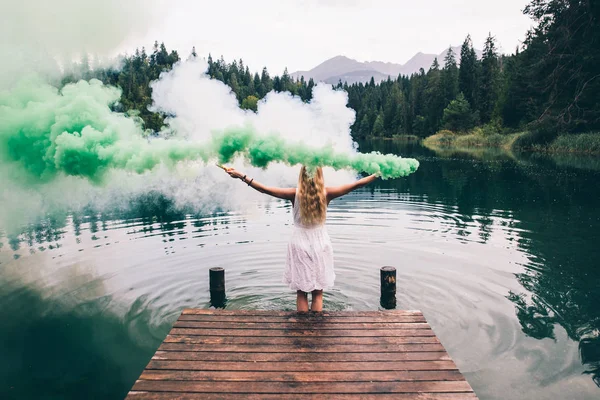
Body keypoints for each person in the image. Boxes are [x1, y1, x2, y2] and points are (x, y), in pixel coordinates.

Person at [223, 165, 378, 312]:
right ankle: (316, 326)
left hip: (299, 243)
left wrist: (241, 176)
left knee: (301, 292)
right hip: (320, 243)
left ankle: (302, 327)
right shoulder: (327, 193)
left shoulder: (294, 194)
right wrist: (378, 173)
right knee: (318, 293)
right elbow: (356, 184)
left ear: (302, 176)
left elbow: (264, 190)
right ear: (319, 175)